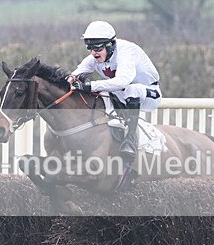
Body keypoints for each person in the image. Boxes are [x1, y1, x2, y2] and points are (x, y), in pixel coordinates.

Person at [67, 20, 162, 161]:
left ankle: (130, 141)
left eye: (97, 48)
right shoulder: (95, 57)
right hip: (122, 96)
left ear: (110, 45)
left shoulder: (127, 51)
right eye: (90, 48)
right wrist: (72, 81)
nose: (93, 53)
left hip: (149, 95)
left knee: (131, 89)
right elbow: (74, 75)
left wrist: (90, 85)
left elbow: (122, 81)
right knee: (99, 94)